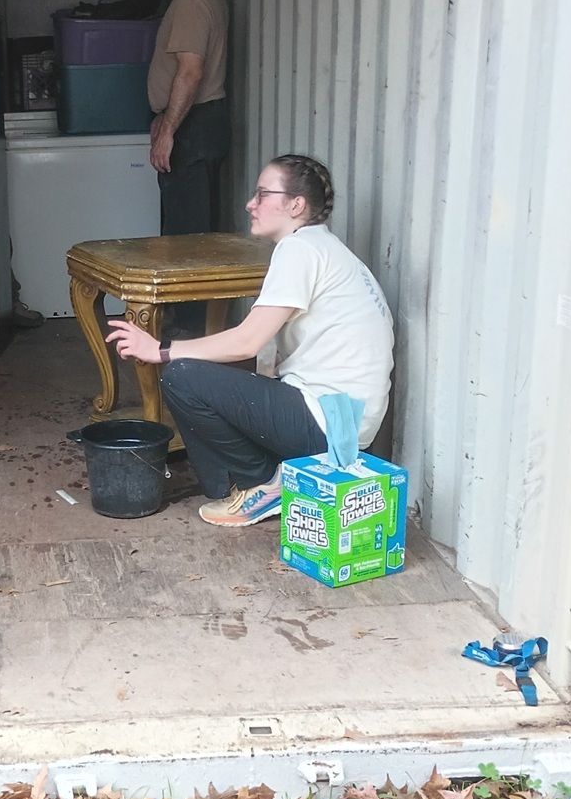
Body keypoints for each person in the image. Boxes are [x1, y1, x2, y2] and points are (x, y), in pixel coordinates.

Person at [105, 154, 394, 529]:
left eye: (262, 194)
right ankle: (272, 475)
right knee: (212, 373)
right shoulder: (324, 248)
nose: (250, 204)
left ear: (296, 205)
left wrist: (159, 350)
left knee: (182, 376)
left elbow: (248, 342)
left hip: (331, 425)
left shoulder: (300, 250)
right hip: (345, 424)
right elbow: (261, 349)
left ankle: (258, 484)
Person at [146, 0, 230, 335]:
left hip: (193, 127)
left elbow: (191, 71)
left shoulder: (192, 0)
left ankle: (190, 332)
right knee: (185, 228)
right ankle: (186, 323)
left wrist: (169, 130)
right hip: (193, 123)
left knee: (188, 235)